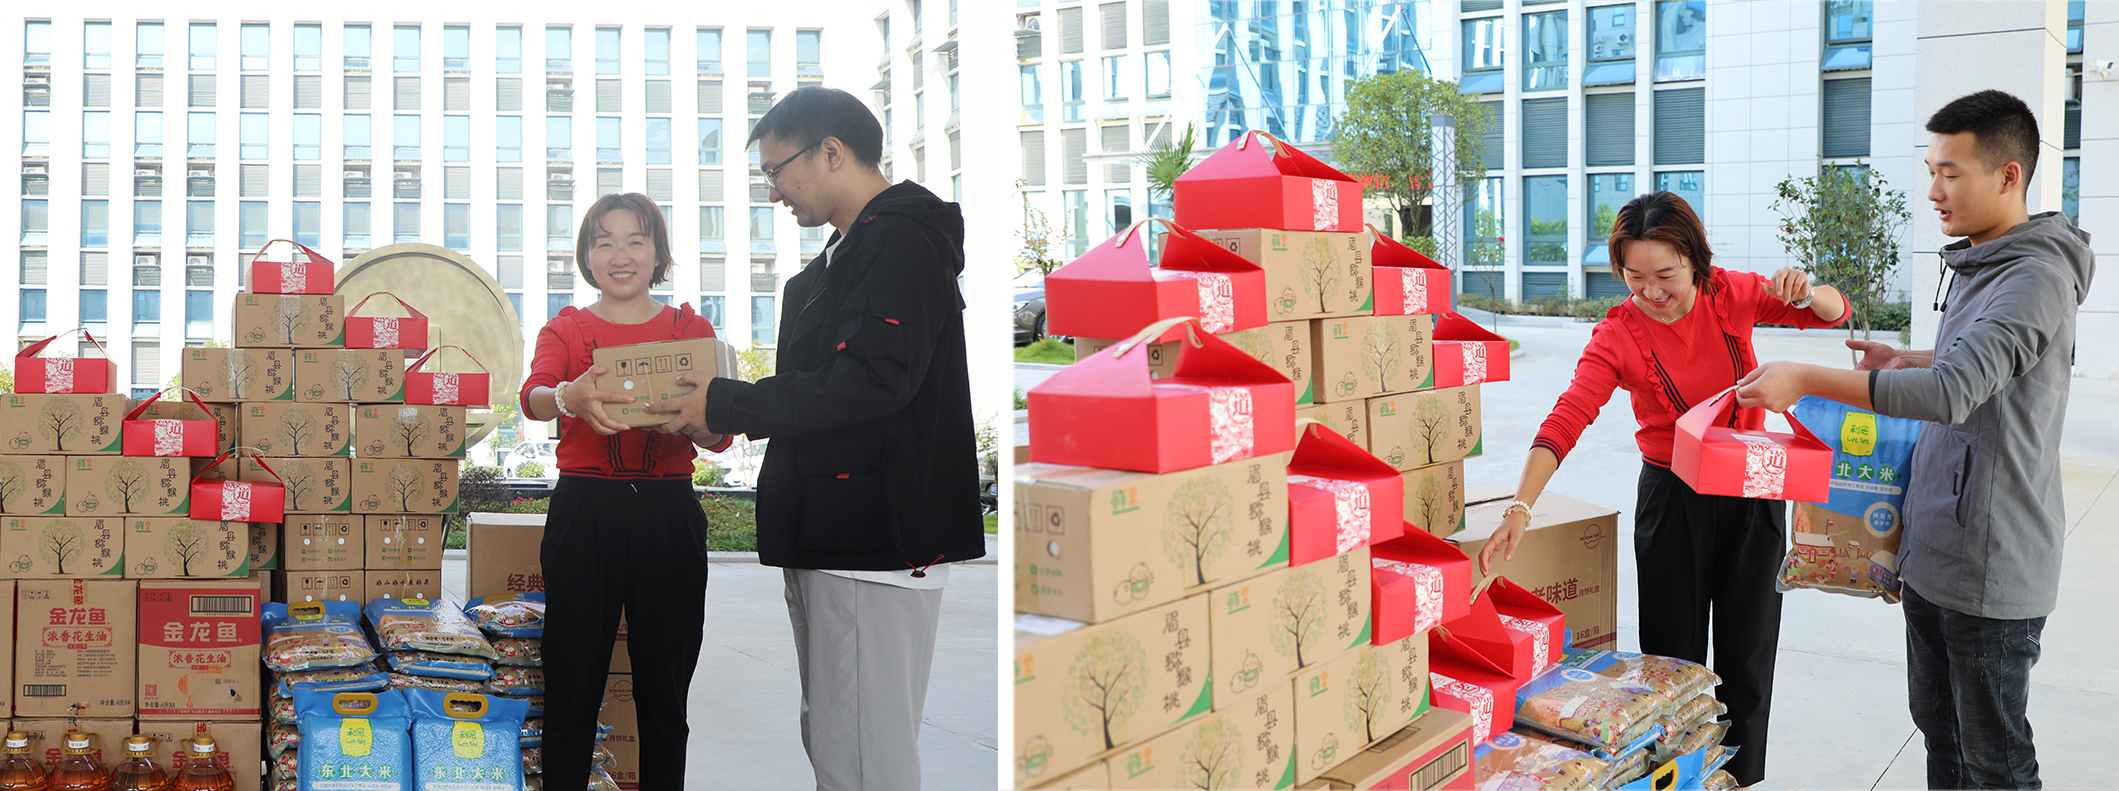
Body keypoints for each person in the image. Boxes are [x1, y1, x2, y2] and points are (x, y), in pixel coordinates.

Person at [1737, 89, 2093, 789]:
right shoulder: (1984, 261)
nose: (1932, 191)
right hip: (1935, 547)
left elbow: (1953, 391)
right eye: (1931, 171)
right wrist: (1905, 360)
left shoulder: (2034, 275)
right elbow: (1978, 366)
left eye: (1949, 173)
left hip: (1988, 564)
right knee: (1940, 731)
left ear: (2008, 175)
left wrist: (1805, 377)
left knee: (1994, 759)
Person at [648, 86, 985, 790]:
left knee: (862, 754)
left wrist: (730, 402)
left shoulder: (899, 241)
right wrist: (723, 406)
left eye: (775, 171)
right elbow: (829, 383)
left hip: (873, 543)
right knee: (838, 738)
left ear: (830, 151)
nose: (773, 191)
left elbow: (870, 380)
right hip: (838, 535)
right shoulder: (845, 255)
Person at [1479, 191, 1849, 788]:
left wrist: (1805, 292)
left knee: (1749, 654)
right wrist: (1521, 507)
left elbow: (1832, 312)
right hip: (1672, 498)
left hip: (1752, 487)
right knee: (1671, 664)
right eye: (1635, 277)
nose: (1652, 291)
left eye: (1666, 275)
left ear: (1696, 262)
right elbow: (1568, 416)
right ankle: (1680, 779)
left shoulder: (1732, 293)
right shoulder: (1617, 334)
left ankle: (1739, 780)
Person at [518, 193, 730, 790]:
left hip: (669, 512)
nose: (620, 255)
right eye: (604, 242)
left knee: (665, 688)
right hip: (585, 511)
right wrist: (569, 396)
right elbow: (533, 397)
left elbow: (720, 435)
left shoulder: (691, 330)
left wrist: (697, 423)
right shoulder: (565, 328)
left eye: (636, 240)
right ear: (587, 256)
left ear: (658, 253)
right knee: (572, 684)